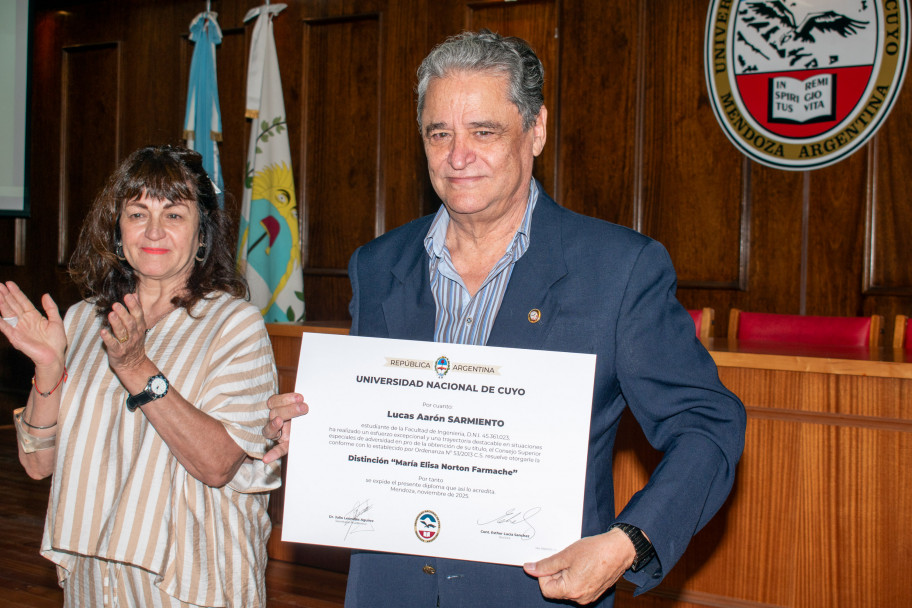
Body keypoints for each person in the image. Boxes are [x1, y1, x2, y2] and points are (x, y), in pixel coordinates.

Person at [263, 30, 746, 607]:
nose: (457, 156)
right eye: (439, 133)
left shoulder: (618, 270)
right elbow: (386, 424)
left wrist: (625, 544)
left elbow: (708, 423)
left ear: (535, 130)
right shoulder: (377, 266)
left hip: (536, 594)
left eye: (483, 132)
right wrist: (318, 431)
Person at [1, 145, 280, 607]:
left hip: (192, 581)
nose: (153, 231)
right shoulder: (80, 322)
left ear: (202, 235)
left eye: (173, 215)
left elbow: (217, 464)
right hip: (96, 578)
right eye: (137, 213)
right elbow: (37, 465)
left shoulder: (235, 325)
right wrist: (49, 367)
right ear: (117, 230)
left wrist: (136, 369)